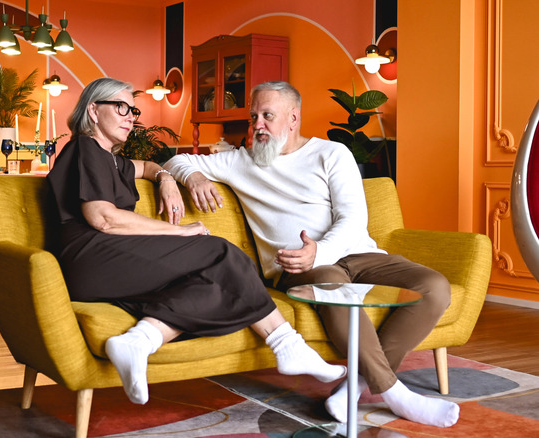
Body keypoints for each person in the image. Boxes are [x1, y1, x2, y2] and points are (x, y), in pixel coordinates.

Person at [163, 81, 459, 428]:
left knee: (434, 286)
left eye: (267, 116)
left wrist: (321, 251)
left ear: (293, 118)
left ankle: (355, 388)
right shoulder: (240, 161)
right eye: (253, 116)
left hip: (356, 254)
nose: (257, 124)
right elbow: (175, 158)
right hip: (296, 267)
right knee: (332, 282)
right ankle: (396, 394)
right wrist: (191, 176)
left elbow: (353, 219)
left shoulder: (332, 153)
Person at [46, 77, 345, 405]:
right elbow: (103, 217)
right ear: (92, 110)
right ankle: (287, 345)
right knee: (219, 251)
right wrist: (179, 230)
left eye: (132, 109)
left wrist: (165, 178)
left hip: (105, 262)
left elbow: (145, 166)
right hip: (90, 258)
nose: (130, 116)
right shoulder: (84, 148)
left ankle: (139, 341)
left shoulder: (109, 158)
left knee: (214, 283)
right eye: (120, 107)